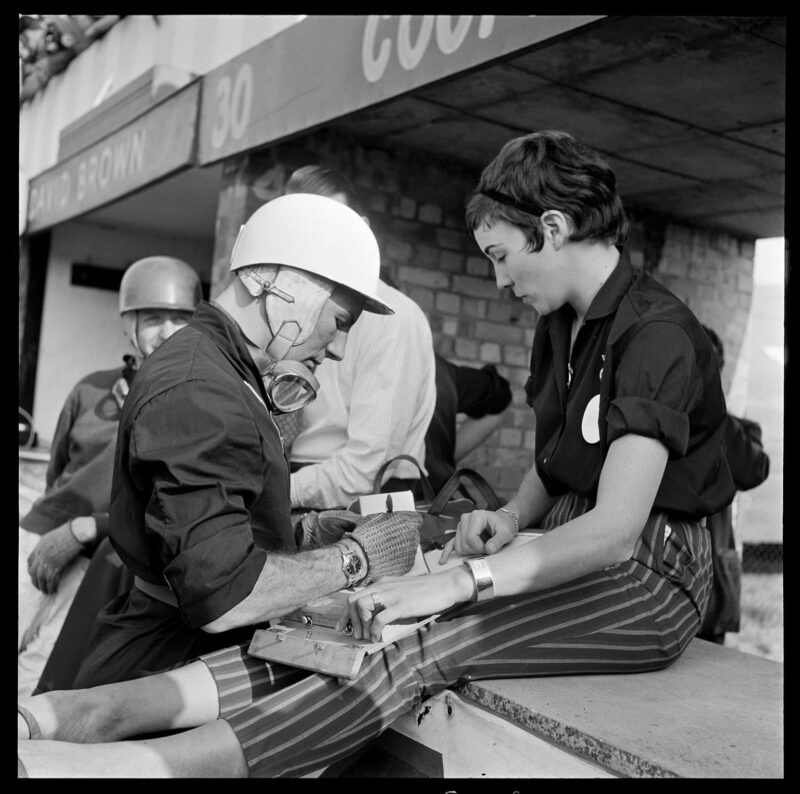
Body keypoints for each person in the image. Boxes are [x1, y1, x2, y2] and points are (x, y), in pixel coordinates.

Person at [18, 130, 737, 779]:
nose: (498, 282)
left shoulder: (659, 334)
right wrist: (513, 517)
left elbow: (613, 532)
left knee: (414, 642)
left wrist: (456, 582)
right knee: (348, 622)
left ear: (551, 228)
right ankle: (86, 718)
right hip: (565, 538)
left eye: (499, 256)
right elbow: (555, 462)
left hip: (645, 571)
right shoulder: (560, 327)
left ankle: (136, 768)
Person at [61, 193, 420, 691]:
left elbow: (213, 523)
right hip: (165, 669)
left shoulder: (223, 370)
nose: (338, 348)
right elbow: (223, 591)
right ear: (267, 280)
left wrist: (300, 534)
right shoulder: (201, 389)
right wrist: (355, 557)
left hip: (173, 654)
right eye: (339, 321)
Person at [18, 256, 202, 698]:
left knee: (38, 677)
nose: (166, 331)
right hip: (34, 537)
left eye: (181, 318)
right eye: (153, 318)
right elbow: (58, 474)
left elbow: (169, 507)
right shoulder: (90, 388)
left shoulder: (197, 404)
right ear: (128, 324)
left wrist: (86, 530)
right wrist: (50, 531)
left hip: (103, 558)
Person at [281, 165, 437, 508]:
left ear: (362, 229)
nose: (314, 244)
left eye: (330, 227)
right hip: (289, 480)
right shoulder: (288, 306)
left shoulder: (393, 319)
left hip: (364, 502)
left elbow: (366, 469)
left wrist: (272, 494)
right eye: (300, 229)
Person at [696, 325, 770, 645]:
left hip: (710, 585)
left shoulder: (737, 429)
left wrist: (710, 402)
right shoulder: (662, 422)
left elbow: (753, 469)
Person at [423, 352, 512, 495]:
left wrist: (443, 457)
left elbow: (499, 398)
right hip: (438, 500)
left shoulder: (436, 369)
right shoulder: (438, 368)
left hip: (429, 501)